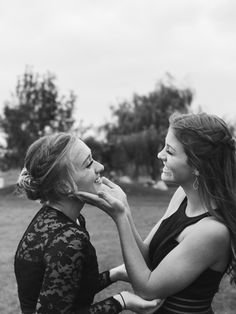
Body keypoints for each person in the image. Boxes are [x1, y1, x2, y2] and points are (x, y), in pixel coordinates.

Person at [79, 112, 236, 314]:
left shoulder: (212, 231)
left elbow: (147, 289)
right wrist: (124, 209)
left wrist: (119, 218)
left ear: (198, 166)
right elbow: (147, 257)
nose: (160, 155)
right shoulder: (182, 196)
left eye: (169, 152)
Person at [14, 133, 162, 314]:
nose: (100, 166)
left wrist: (114, 275)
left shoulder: (61, 221)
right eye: (88, 163)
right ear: (64, 186)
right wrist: (121, 301)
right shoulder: (68, 240)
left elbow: (68, 290)